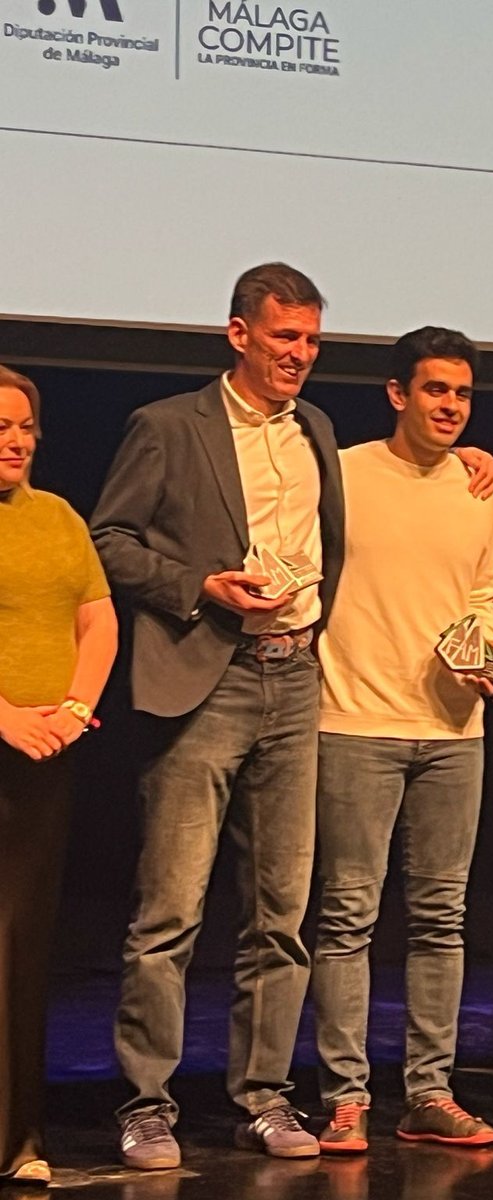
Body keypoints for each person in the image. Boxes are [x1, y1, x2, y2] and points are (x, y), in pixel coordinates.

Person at [90, 264, 493, 1168]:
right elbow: (109, 540)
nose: (301, 355)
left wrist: (474, 458)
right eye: (285, 337)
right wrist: (197, 586)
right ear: (239, 334)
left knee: (280, 914)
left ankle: (264, 1098)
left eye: (312, 340)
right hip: (207, 677)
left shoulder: (314, 429)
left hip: (295, 680)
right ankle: (147, 1104)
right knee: (170, 912)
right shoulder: (169, 426)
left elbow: (399, 500)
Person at [310, 328, 493, 1154]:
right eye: (435, 390)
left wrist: (487, 654)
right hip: (354, 721)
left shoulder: (481, 488)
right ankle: (344, 1097)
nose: (450, 407)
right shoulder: (343, 473)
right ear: (398, 394)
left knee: (441, 919)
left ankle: (430, 1092)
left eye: (461, 394)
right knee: (347, 917)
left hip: (454, 732)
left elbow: (489, 595)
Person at [0, 366, 117, 1187]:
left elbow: (96, 618)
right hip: (7, 733)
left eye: (24, 426)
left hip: (44, 756)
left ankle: (17, 1138)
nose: (15, 440)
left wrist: (74, 711)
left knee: (21, 947)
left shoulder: (59, 517)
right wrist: (4, 716)